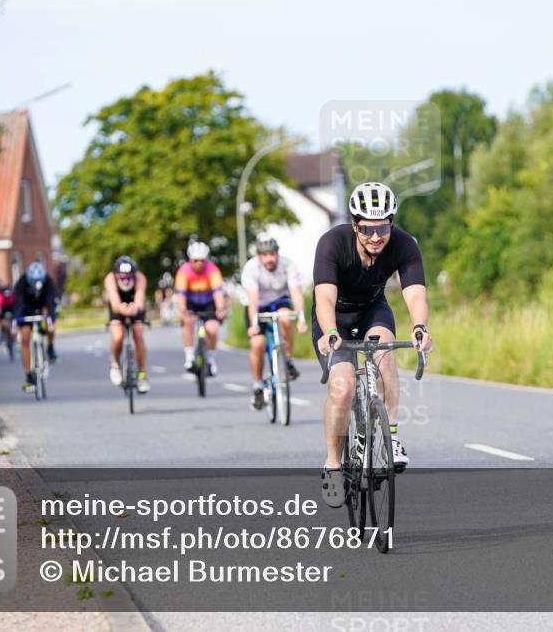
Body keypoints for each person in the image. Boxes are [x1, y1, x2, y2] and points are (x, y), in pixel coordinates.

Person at [311, 182, 434, 507]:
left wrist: (420, 327)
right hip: (333, 318)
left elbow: (415, 292)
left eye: (383, 227)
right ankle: (333, 464)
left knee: (385, 353)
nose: (376, 236)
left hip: (372, 312)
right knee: (342, 388)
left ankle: (391, 439)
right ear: (354, 224)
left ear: (391, 222)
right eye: (367, 228)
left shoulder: (405, 245)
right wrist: (329, 331)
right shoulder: (332, 243)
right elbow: (324, 296)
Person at [241, 232, 308, 410]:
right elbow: (253, 299)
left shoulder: (288, 266)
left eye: (272, 254)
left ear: (277, 253)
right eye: (265, 255)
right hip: (258, 306)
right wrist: (254, 325)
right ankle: (257, 386)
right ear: (259, 256)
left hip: (280, 300)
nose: (269, 258)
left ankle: (288, 360)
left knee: (286, 317)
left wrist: (301, 318)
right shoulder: (251, 268)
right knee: (257, 343)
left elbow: (296, 292)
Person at [174, 241, 226, 375]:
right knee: (187, 321)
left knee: (212, 329)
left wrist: (220, 308)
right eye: (195, 261)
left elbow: (218, 292)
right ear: (190, 260)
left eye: (202, 261)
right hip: (191, 301)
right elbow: (181, 295)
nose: (199, 264)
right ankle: (189, 356)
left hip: (208, 301)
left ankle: (211, 360)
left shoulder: (212, 270)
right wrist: (182, 310)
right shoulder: (183, 271)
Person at [105, 255, 150, 393]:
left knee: (138, 332)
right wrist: (122, 309)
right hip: (118, 305)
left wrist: (135, 308)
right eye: (122, 277)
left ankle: (142, 376)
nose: (125, 281)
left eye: (128, 277)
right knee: (118, 335)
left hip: (135, 305)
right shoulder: (110, 279)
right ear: (116, 274)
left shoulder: (140, 278)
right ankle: (115, 365)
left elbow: (140, 298)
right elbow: (114, 301)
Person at [13, 261, 59, 392]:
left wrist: (51, 316)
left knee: (51, 326)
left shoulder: (48, 281)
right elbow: (18, 303)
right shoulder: (21, 283)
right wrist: (17, 319)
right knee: (25, 338)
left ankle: (50, 347)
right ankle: (28, 376)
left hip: (42, 307)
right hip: (26, 309)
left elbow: (52, 300)